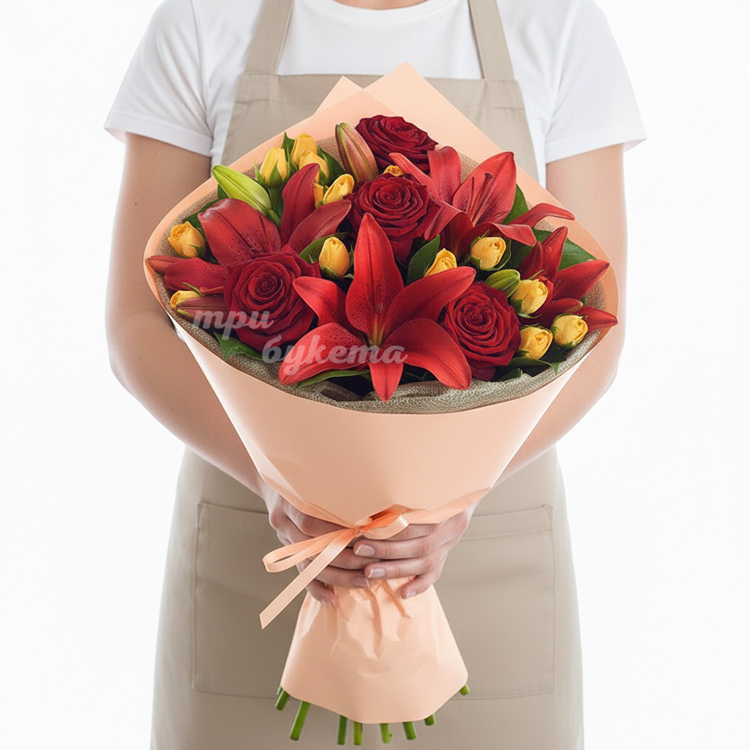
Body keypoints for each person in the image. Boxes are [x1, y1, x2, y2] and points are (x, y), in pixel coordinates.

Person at [105, 0, 645, 747]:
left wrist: (450, 502)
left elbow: (597, 326)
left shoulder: (555, 20)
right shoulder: (204, 16)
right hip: (265, 548)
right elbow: (137, 324)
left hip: (485, 556)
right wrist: (277, 483)